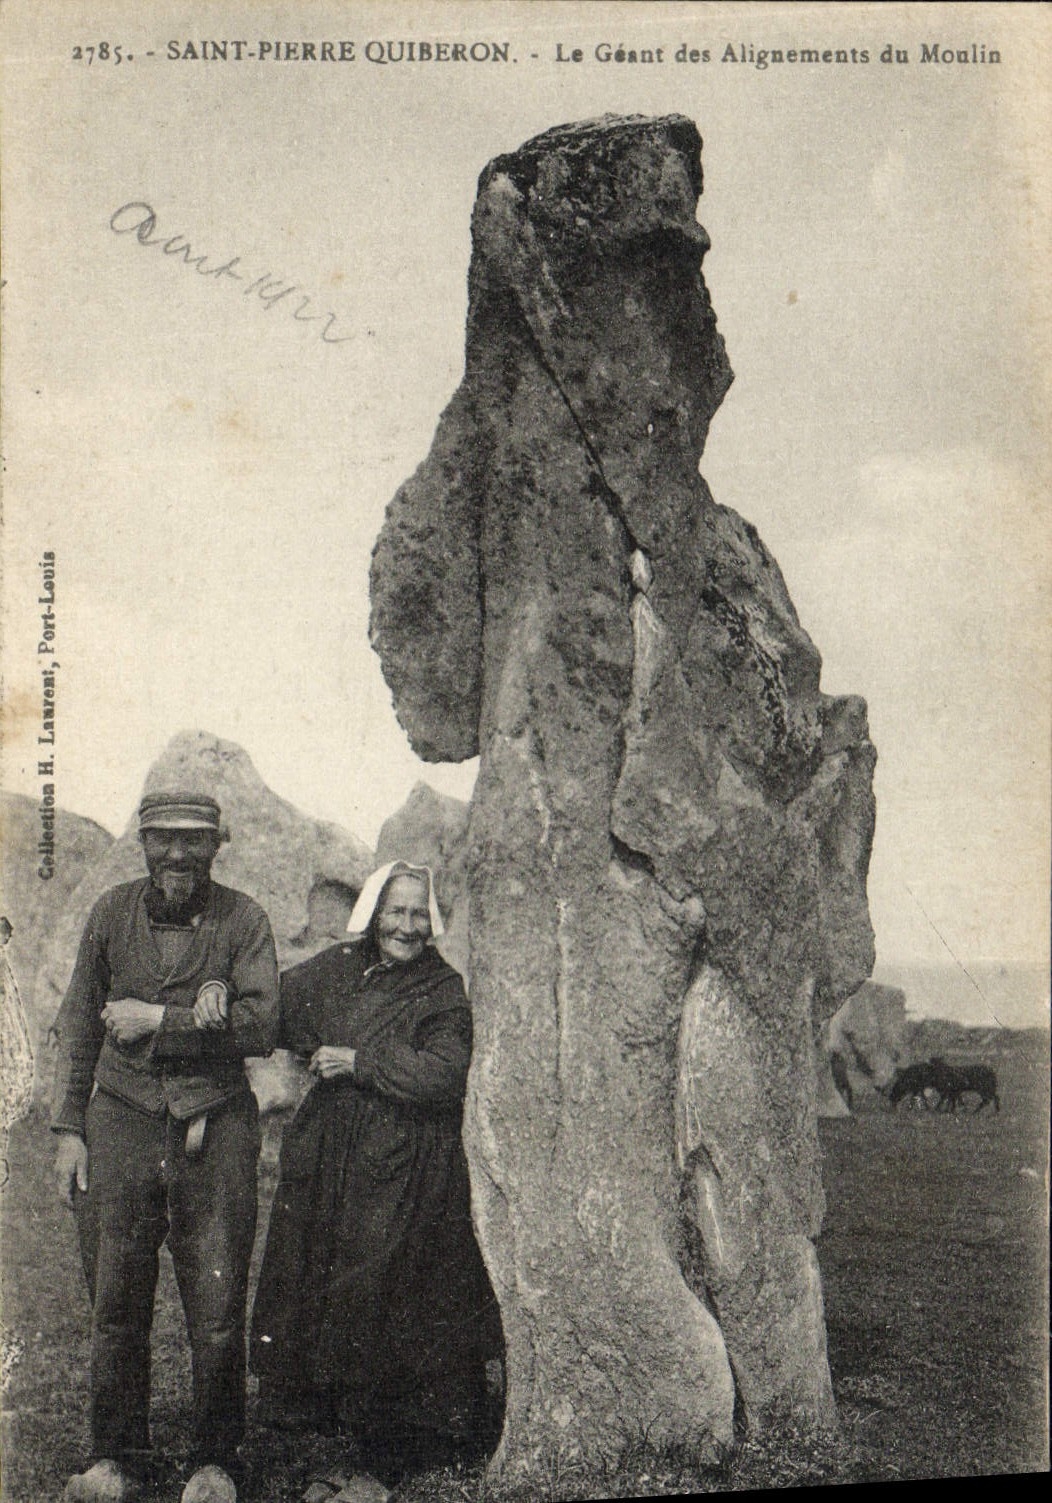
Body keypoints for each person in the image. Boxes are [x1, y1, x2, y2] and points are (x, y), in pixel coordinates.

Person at [51, 792, 279, 1503]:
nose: (178, 854)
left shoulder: (245, 919)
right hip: (120, 1122)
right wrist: (67, 1130)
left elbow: (261, 1025)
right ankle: (115, 1456)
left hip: (216, 1126)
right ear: (143, 842)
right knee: (115, 1297)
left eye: (194, 840)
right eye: (163, 839)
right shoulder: (110, 914)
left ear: (218, 844)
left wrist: (162, 1019)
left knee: (215, 1305)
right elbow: (81, 1023)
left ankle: (216, 1460)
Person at [250, 861, 503, 1480]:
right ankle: (337, 1421)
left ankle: (402, 1446)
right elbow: (273, 1004)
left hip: (406, 1168)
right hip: (334, 1160)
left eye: (420, 914)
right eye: (397, 911)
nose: (408, 927)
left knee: (390, 1294)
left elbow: (443, 1074)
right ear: (374, 912)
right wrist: (212, 994)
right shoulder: (339, 968)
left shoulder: (443, 990)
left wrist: (360, 1061)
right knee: (322, 1279)